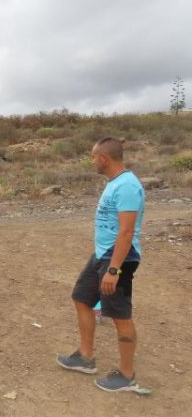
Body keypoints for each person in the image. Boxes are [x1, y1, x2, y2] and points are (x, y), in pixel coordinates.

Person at [57, 137, 146, 393]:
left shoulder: (128, 186)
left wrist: (114, 269)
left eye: (94, 156)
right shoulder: (115, 183)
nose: (92, 161)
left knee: (120, 315)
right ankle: (85, 357)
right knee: (82, 298)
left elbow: (127, 232)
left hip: (119, 258)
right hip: (101, 254)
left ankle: (127, 375)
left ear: (104, 158)